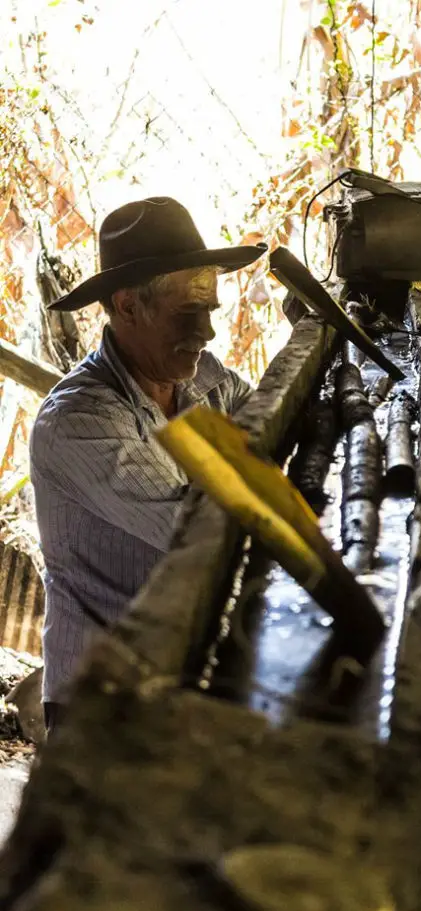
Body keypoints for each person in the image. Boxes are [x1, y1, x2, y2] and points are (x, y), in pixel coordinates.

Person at [29, 197, 266, 733]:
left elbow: (278, 434)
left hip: (178, 685)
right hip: (102, 706)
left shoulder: (208, 381)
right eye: (188, 312)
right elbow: (202, 532)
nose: (207, 332)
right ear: (128, 306)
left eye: (209, 310)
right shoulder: (78, 421)